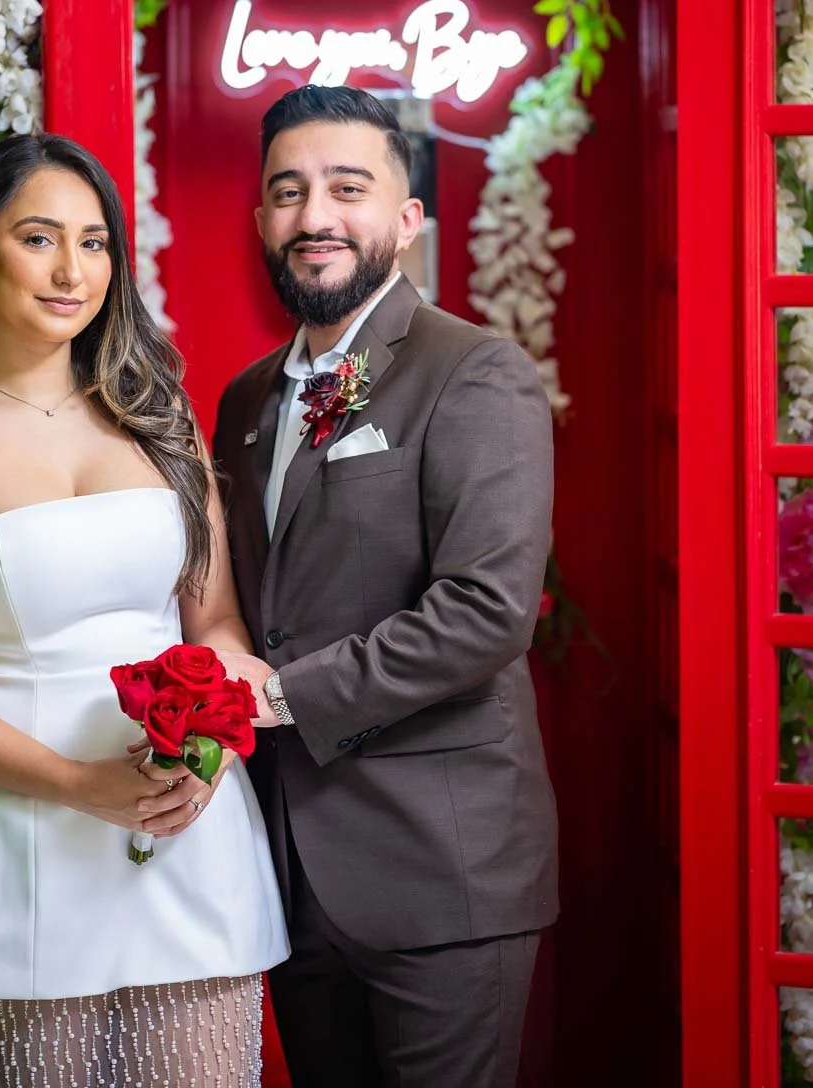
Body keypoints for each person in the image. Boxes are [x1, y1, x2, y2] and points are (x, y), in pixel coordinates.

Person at [0, 132, 288, 1088]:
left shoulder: (159, 416)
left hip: (183, 822)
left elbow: (217, 631)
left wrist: (212, 749)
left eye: (95, 241)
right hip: (7, 831)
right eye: (38, 238)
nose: (73, 271)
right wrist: (79, 784)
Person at [213, 85, 557, 1088]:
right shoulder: (242, 399)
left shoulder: (473, 371)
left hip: (441, 872)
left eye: (345, 187)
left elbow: (486, 610)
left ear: (405, 220)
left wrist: (275, 696)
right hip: (289, 868)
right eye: (287, 191)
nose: (313, 215)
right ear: (260, 222)